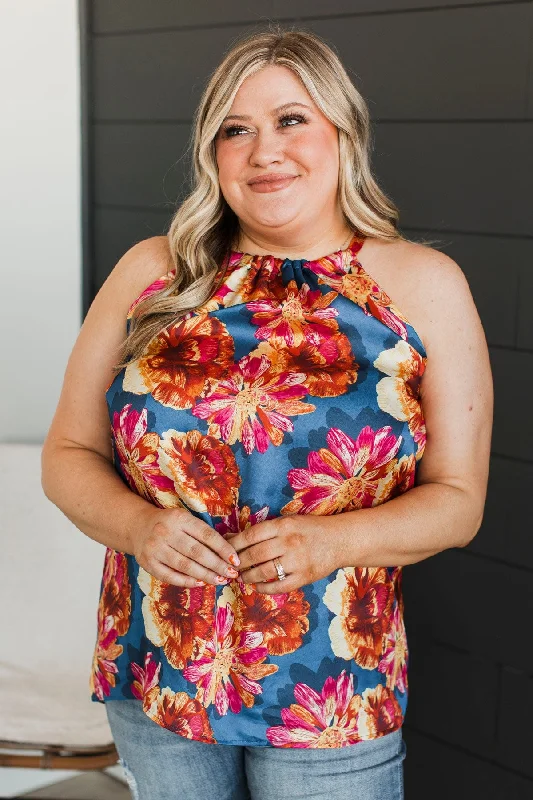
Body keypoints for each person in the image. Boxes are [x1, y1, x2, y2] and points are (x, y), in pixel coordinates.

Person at [41, 24, 493, 800]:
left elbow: (457, 503)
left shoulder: (420, 285)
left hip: (330, 689)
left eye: (290, 119)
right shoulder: (152, 274)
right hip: (162, 673)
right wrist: (139, 527)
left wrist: (331, 542)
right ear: (211, 154)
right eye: (234, 130)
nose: (262, 151)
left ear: (342, 133)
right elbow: (68, 456)